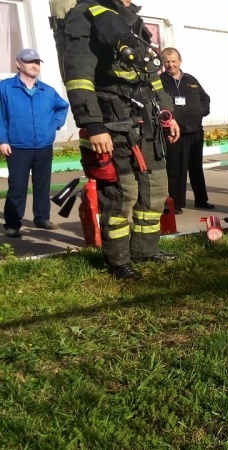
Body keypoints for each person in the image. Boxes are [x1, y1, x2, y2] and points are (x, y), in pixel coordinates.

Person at [62, 0, 182, 280]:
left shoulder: (131, 21)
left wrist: (167, 114)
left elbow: (151, 78)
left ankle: (146, 250)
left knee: (155, 189)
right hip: (112, 125)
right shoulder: (85, 16)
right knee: (121, 195)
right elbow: (78, 78)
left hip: (148, 124)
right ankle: (118, 261)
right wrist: (93, 125)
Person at [0, 48, 70, 238]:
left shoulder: (47, 90)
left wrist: (53, 126)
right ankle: (13, 223)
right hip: (17, 146)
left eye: (37, 62)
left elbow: (62, 107)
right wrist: (2, 139)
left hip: (43, 146)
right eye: (30, 61)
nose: (34, 65)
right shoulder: (5, 87)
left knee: (42, 184)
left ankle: (41, 217)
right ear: (18, 63)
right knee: (17, 186)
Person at [160, 47, 212, 215]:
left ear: (180, 61)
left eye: (173, 61)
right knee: (176, 168)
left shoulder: (191, 79)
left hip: (196, 130)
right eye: (167, 62)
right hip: (175, 133)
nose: (170, 65)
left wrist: (201, 111)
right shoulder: (160, 81)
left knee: (196, 167)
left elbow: (205, 98)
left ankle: (201, 200)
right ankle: (176, 203)